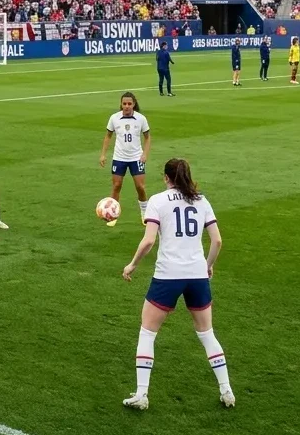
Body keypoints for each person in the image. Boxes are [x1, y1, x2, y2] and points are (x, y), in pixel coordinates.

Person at [121, 158, 234, 410]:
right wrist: (208, 265)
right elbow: (217, 241)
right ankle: (226, 390)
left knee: (148, 332)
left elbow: (149, 241)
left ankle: (142, 394)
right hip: (197, 276)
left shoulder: (157, 201)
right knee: (207, 334)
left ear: (166, 178)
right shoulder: (201, 200)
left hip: (168, 275)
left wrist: (133, 264)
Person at [99, 92, 151, 228]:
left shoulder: (141, 119)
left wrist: (145, 154)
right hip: (119, 157)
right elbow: (108, 136)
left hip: (136, 158)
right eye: (124, 104)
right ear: (121, 104)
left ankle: (144, 212)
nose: (127, 106)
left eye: (129, 104)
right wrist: (103, 154)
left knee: (140, 187)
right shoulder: (114, 118)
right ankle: (112, 214)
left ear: (134, 104)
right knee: (116, 186)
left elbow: (147, 137)